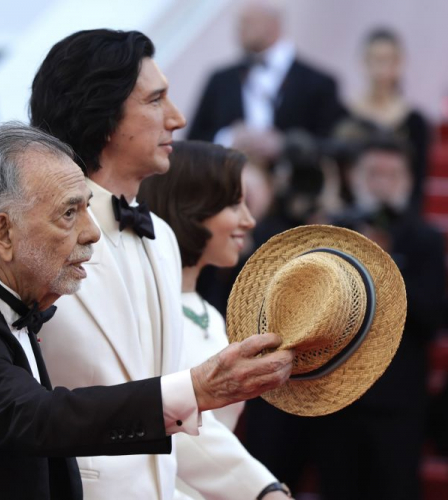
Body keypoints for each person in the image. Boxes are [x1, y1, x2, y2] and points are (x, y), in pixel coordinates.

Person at [0, 122, 294, 500]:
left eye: (87, 207)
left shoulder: (14, 303)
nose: (93, 232)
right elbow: (39, 418)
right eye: (69, 213)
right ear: (3, 234)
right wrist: (194, 389)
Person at [30, 29, 293, 500]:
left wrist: (263, 490)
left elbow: (175, 408)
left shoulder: (162, 239)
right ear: (103, 116)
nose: (178, 118)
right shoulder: (37, 234)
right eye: (156, 101)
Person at [139, 140, 287, 498]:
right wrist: (264, 490)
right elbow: (177, 426)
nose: (249, 220)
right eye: (234, 204)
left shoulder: (209, 312)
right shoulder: (146, 306)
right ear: (190, 207)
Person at [312, 135, 445, 500]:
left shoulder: (425, 240)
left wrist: (385, 267)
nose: (382, 184)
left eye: (392, 174)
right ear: (355, 177)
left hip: (398, 404)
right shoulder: (335, 231)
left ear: (407, 180)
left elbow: (431, 317)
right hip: (337, 398)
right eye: (374, 174)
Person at [187, 0, 345, 164]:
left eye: (246, 23)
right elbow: (192, 141)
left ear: (273, 24)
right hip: (229, 183)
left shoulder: (319, 83)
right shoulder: (220, 81)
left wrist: (285, 145)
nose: (239, 30)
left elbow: (334, 146)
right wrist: (228, 138)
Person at [335, 27, 430, 209]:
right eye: (375, 60)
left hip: (397, 214)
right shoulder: (342, 114)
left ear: (399, 63)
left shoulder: (414, 122)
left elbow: (418, 180)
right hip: (348, 216)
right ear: (363, 62)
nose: (381, 69)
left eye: (387, 60)